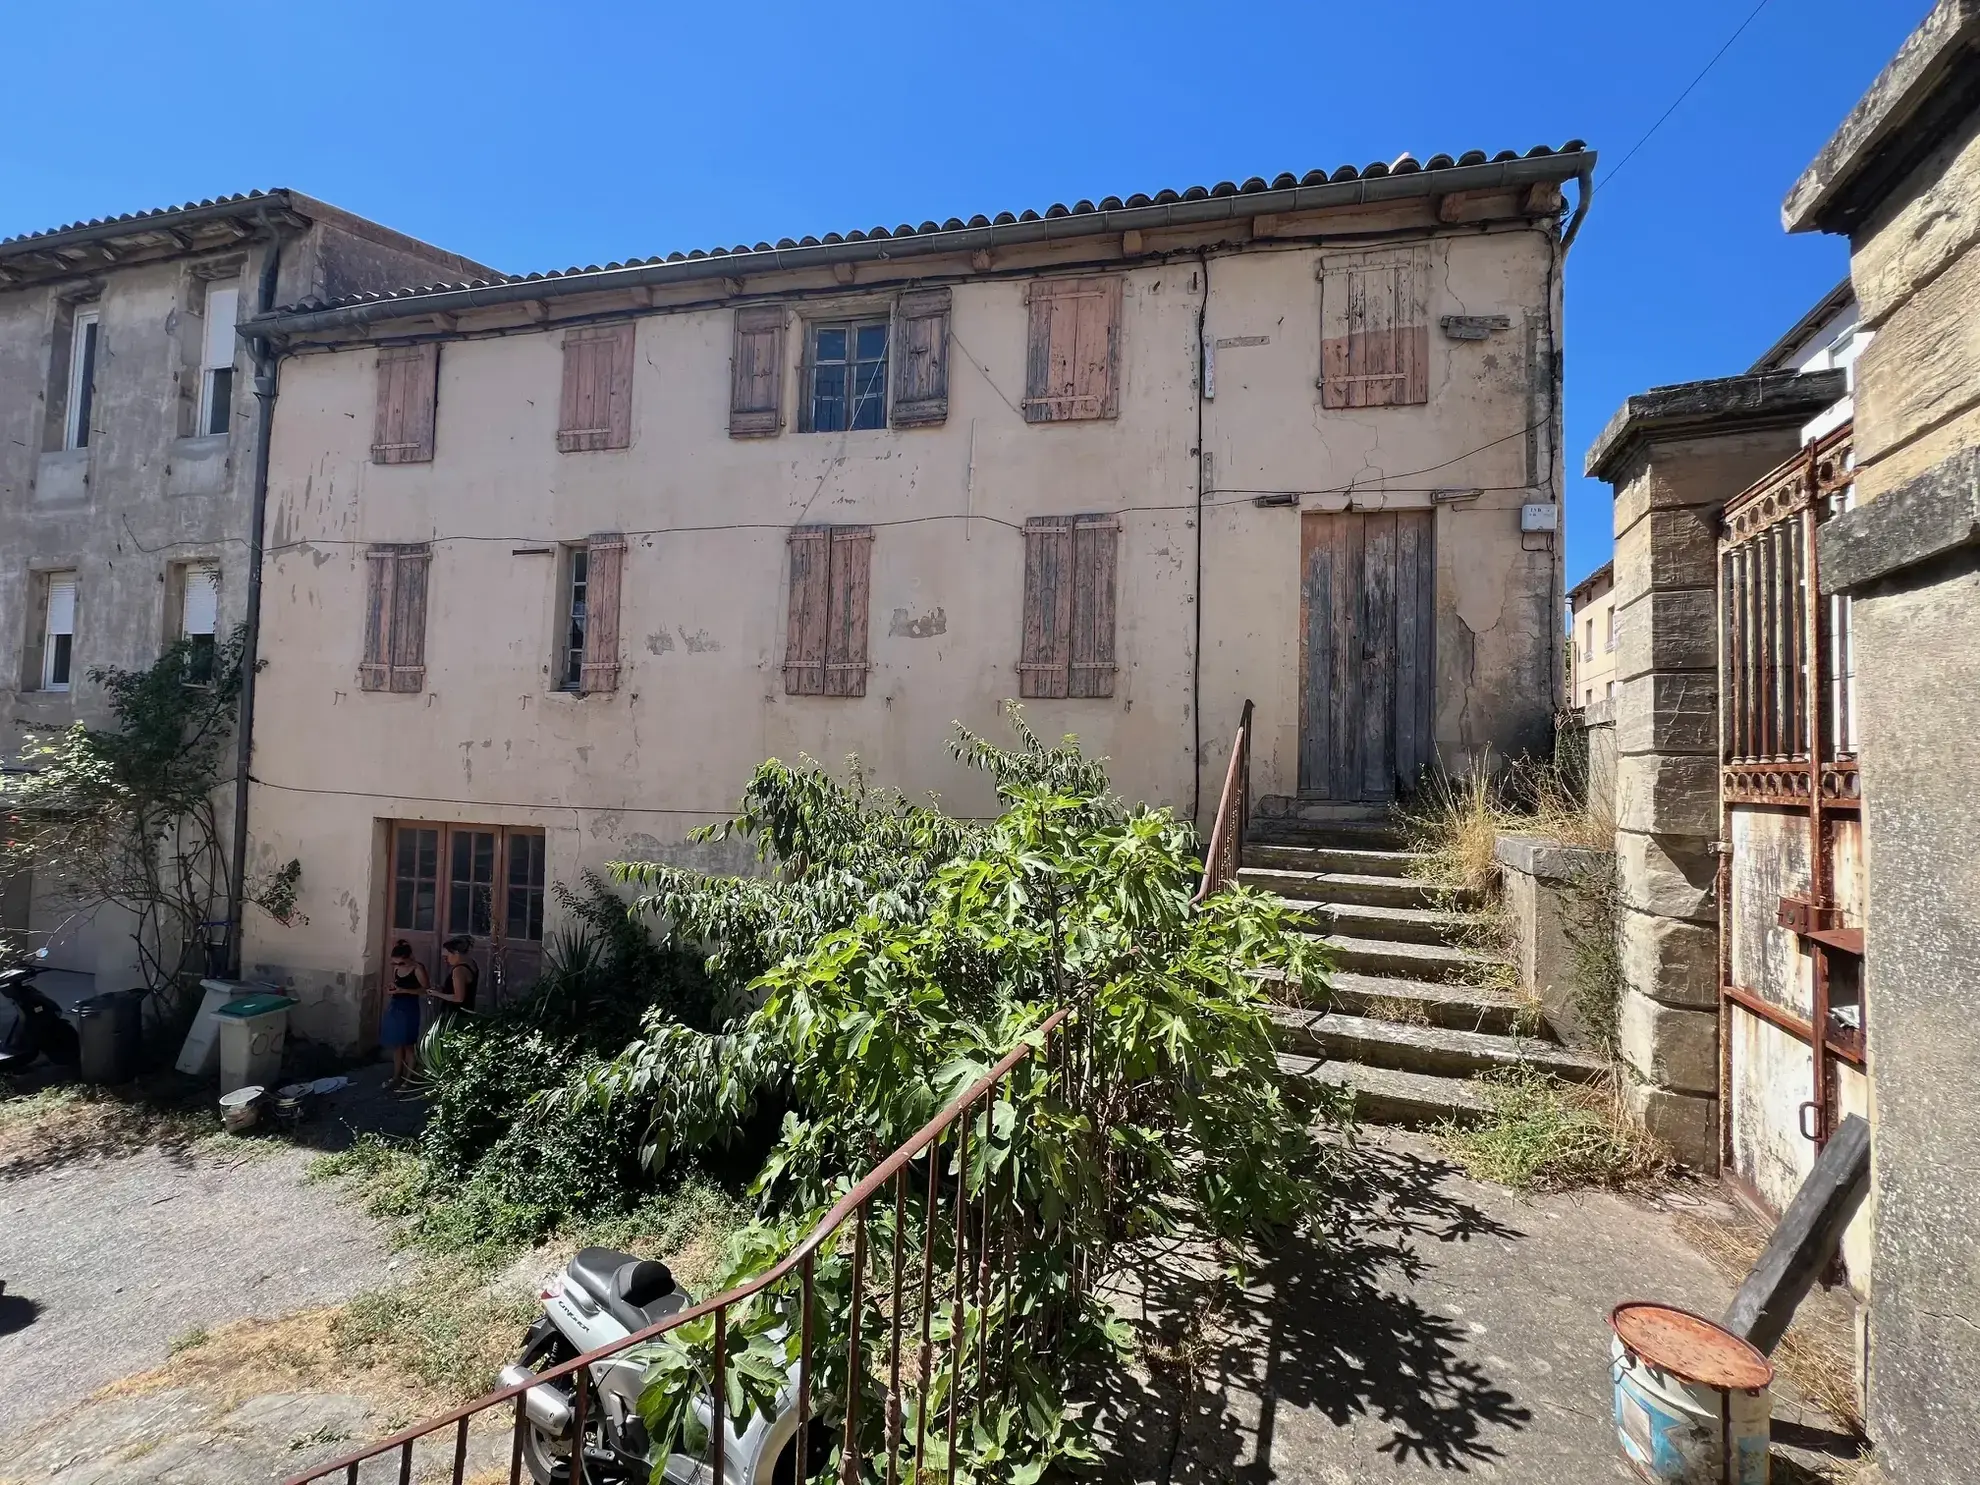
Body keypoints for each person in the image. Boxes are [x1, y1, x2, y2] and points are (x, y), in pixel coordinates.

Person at [381, 940, 428, 1087]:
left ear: (409, 957)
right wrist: (392, 988)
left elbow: (426, 990)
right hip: (396, 1006)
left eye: (401, 963)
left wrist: (404, 991)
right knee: (397, 1045)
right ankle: (396, 1076)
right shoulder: (396, 969)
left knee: (408, 1045)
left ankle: (408, 1080)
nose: (397, 966)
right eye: (394, 964)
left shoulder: (417, 969)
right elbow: (396, 983)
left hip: (410, 1008)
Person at [434, 936, 479, 1021]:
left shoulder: (458, 970)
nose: (445, 960)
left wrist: (436, 994)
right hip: (466, 1011)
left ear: (456, 953)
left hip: (455, 1015)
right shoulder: (472, 964)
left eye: (446, 956)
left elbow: (459, 998)